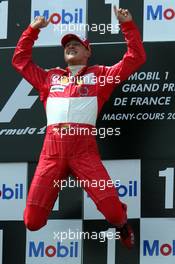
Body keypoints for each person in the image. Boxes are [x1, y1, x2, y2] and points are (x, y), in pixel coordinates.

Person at [12, 6, 146, 249]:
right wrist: (32, 30)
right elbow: (20, 61)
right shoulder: (49, 78)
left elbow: (136, 57)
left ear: (88, 51)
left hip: (84, 152)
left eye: (76, 44)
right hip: (51, 154)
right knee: (32, 222)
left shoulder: (101, 76)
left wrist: (127, 25)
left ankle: (123, 225)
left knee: (115, 214)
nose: (70, 47)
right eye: (66, 45)